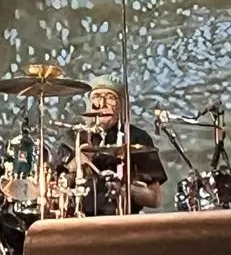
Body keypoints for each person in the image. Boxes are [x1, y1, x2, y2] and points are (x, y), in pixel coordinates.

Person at [59, 77, 166, 214]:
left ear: (121, 106)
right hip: (79, 223)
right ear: (89, 104)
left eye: (109, 97)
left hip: (123, 222)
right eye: (96, 96)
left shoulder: (136, 137)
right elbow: (56, 188)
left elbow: (154, 199)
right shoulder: (74, 137)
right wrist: (75, 164)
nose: (102, 103)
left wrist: (123, 188)